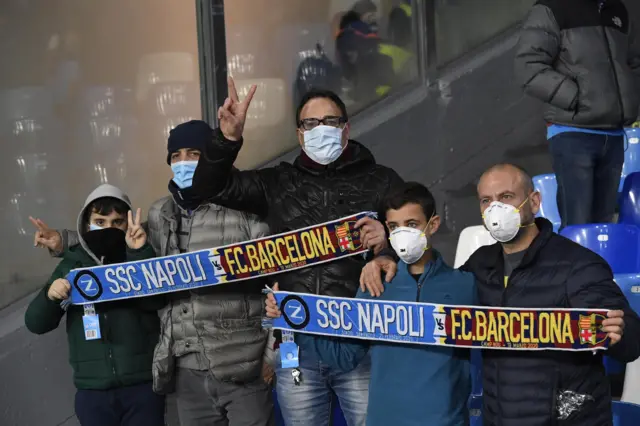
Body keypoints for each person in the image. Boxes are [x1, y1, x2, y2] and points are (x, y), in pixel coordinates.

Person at [31, 120, 275, 426]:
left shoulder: (246, 212)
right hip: (186, 368)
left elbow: (275, 283)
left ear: (212, 156)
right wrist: (64, 241)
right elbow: (115, 237)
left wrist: (270, 357)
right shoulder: (161, 214)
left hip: (241, 364)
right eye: (176, 156)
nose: (183, 162)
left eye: (194, 153)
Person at [191, 80, 403, 426]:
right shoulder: (277, 183)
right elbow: (206, 188)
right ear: (299, 134)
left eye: (330, 122)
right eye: (310, 123)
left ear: (346, 129)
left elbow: (419, 234)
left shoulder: (381, 180)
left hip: (361, 342)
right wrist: (226, 139)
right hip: (295, 343)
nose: (320, 130)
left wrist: (389, 241)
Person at [360, 163, 640, 425]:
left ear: (534, 202)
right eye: (486, 200)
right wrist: (386, 257)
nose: (495, 208)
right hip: (500, 416)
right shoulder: (480, 263)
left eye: (505, 197)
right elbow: (438, 287)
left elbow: (629, 341)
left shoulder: (577, 264)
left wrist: (620, 331)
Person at [266, 182, 475, 426]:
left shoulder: (465, 286)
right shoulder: (375, 285)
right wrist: (294, 321)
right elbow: (346, 356)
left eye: (412, 224)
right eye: (394, 226)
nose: (402, 234)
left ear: (434, 225)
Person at [24, 184, 165, 426]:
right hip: (92, 392)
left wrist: (139, 254)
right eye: (100, 221)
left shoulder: (139, 257)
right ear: (85, 224)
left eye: (117, 222)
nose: (108, 229)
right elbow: (35, 323)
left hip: (142, 387)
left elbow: (156, 301)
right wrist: (52, 296)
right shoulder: (74, 264)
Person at [514, 0, 640, 229]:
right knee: (578, 223)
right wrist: (578, 98)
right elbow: (528, 66)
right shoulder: (552, 8)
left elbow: (633, 63)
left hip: (613, 133)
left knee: (604, 225)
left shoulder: (617, 10)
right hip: (572, 134)